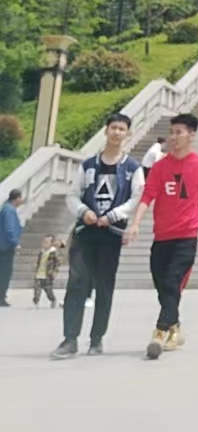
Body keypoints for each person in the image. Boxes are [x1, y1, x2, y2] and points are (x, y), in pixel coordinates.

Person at [52, 113, 145, 358]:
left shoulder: (132, 168)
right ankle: (70, 339)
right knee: (77, 283)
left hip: (111, 234)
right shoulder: (88, 165)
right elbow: (72, 195)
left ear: (128, 134)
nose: (117, 133)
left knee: (104, 286)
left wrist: (113, 215)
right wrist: (83, 212)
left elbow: (137, 198)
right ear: (106, 131)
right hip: (86, 232)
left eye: (122, 129)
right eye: (113, 128)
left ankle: (96, 338)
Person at [125, 113, 198, 359]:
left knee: (172, 281)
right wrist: (136, 223)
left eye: (179, 132)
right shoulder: (160, 166)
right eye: (171, 132)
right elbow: (148, 196)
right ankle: (175, 327)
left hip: (186, 235)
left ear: (191, 135)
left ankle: (159, 332)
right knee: (162, 285)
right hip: (162, 236)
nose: (173, 137)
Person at [0, 188, 24, 306]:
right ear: (17, 198)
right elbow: (9, 228)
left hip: (4, 245)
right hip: (5, 247)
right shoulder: (9, 210)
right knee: (5, 272)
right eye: (20, 197)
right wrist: (15, 242)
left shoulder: (6, 208)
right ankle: (1, 297)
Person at [33, 234, 63, 309]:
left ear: (51, 243)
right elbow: (39, 262)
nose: (44, 244)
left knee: (48, 290)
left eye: (46, 242)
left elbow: (58, 263)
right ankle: (36, 301)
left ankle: (53, 299)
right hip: (39, 274)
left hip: (48, 275)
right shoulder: (41, 252)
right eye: (43, 242)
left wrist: (55, 272)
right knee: (37, 288)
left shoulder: (53, 252)